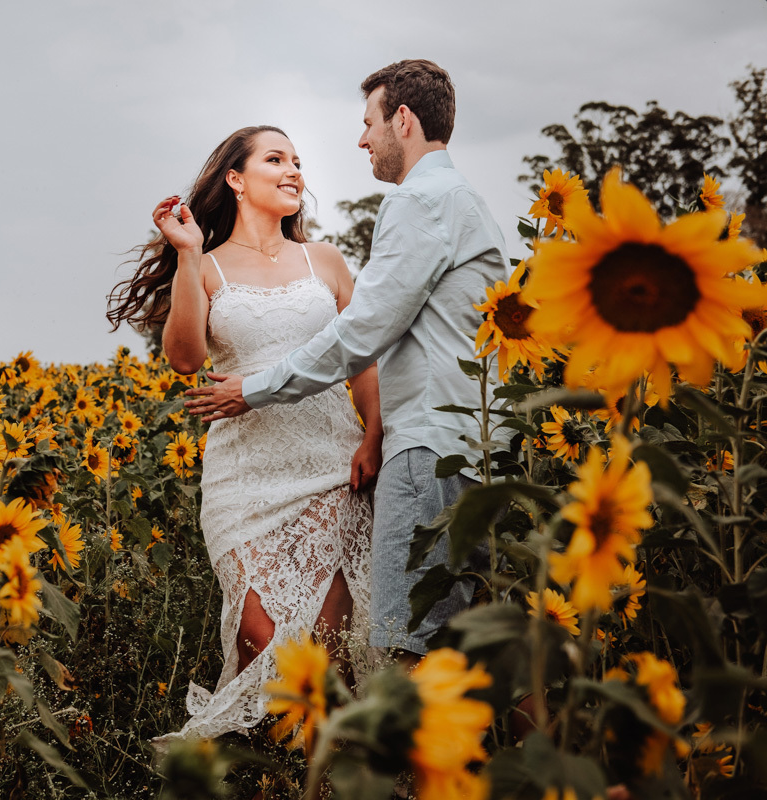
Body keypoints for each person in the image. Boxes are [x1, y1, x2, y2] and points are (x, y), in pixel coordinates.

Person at [184, 60, 509, 669]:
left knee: (402, 641)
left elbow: (361, 335)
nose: (362, 139)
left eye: (369, 123)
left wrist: (254, 389)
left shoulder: (419, 203)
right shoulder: (465, 200)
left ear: (402, 121)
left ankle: (406, 764)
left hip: (429, 444)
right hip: (480, 438)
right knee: (484, 641)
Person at [107, 125, 383, 744]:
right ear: (236, 179)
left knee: (330, 649)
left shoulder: (327, 261)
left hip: (330, 464)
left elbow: (362, 358)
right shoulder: (204, 267)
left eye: (298, 162)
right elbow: (184, 357)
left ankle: (320, 780)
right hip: (244, 477)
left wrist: (373, 438)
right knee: (262, 641)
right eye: (276, 159)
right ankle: (270, 770)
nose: (294, 171)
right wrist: (183, 254)